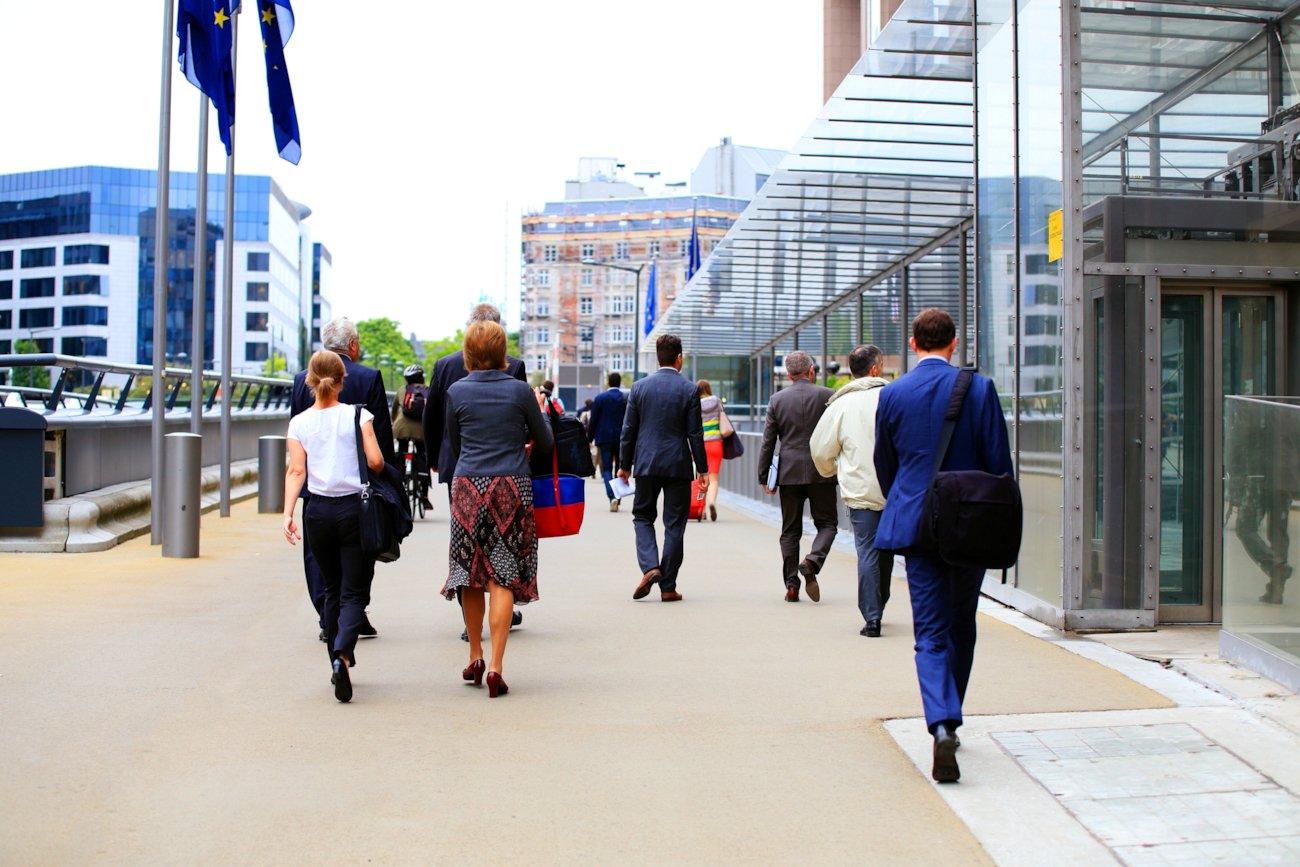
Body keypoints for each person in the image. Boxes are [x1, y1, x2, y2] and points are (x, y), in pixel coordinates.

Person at [874, 308, 1013, 783]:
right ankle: (954, 715)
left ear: (914, 345)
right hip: (969, 523)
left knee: (929, 631)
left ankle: (941, 723)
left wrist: (910, 502)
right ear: (955, 343)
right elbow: (999, 465)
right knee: (962, 624)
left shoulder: (892, 394)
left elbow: (885, 465)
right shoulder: (980, 389)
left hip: (917, 525)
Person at [440, 320, 553, 698]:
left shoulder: (456, 391)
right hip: (511, 485)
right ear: (502, 351)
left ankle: (475, 654)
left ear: (469, 352)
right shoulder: (520, 391)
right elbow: (545, 441)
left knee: (469, 571)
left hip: (468, 485)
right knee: (502, 573)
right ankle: (497, 666)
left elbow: (454, 445)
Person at [282, 350, 387, 703]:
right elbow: (375, 461)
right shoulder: (359, 415)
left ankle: (335, 661)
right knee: (354, 591)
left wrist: (287, 514)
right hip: (353, 510)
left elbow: (296, 471)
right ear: (342, 381)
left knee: (330, 588)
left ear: (310, 382)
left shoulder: (298, 423)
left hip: (317, 512)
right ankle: (343, 652)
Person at [424, 302, 528, 636]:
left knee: (467, 545)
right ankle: (503, 607)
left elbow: (433, 416)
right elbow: (525, 424)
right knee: (501, 543)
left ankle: (473, 624)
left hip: (460, 466)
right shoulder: (514, 367)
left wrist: (434, 458)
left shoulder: (444, 366)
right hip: (506, 468)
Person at [290, 317, 394, 641]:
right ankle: (354, 611)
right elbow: (381, 438)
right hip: (359, 488)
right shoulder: (369, 377)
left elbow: (295, 433)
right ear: (353, 345)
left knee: (317, 557)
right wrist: (387, 480)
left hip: (316, 490)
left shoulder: (299, 381)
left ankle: (326, 613)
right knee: (362, 549)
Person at [618, 334, 709, 602]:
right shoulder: (690, 389)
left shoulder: (639, 388)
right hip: (678, 465)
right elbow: (695, 434)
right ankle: (668, 586)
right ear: (679, 358)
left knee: (643, 517)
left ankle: (650, 567)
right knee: (675, 524)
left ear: (658, 358)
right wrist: (703, 471)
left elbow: (628, 430)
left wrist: (624, 465)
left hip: (645, 463)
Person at [811, 344, 891, 636]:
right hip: (896, 489)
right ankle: (881, 602)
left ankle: (872, 617)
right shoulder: (893, 396)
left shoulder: (841, 405)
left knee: (868, 551)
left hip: (860, 490)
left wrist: (833, 471)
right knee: (888, 552)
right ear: (875, 369)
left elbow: (820, 449)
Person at [756, 350, 838, 603]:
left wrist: (763, 475)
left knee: (790, 530)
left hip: (789, 473)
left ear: (789, 374)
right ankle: (812, 561)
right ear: (811, 371)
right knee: (827, 524)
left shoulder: (777, 400)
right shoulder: (828, 396)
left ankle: (792, 586)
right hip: (821, 470)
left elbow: (768, 442)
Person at [391, 364, 433, 511]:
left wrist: (394, 423)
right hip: (422, 430)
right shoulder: (428, 391)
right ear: (422, 377)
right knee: (422, 456)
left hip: (401, 428)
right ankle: (424, 496)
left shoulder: (402, 390)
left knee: (401, 452)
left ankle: (399, 480)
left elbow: (395, 410)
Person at [588, 372, 628, 512]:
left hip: (604, 438)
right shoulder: (625, 398)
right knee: (620, 469)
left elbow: (593, 420)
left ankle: (612, 497)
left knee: (606, 469)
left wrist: (589, 438)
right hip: (622, 439)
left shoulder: (600, 398)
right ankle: (618, 496)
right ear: (619, 382)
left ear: (609, 383)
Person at [697, 380, 725, 522]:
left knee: (701, 478)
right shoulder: (717, 402)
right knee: (713, 479)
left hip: (701, 445)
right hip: (715, 443)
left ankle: (700, 509)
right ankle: (712, 502)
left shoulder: (696, 404)